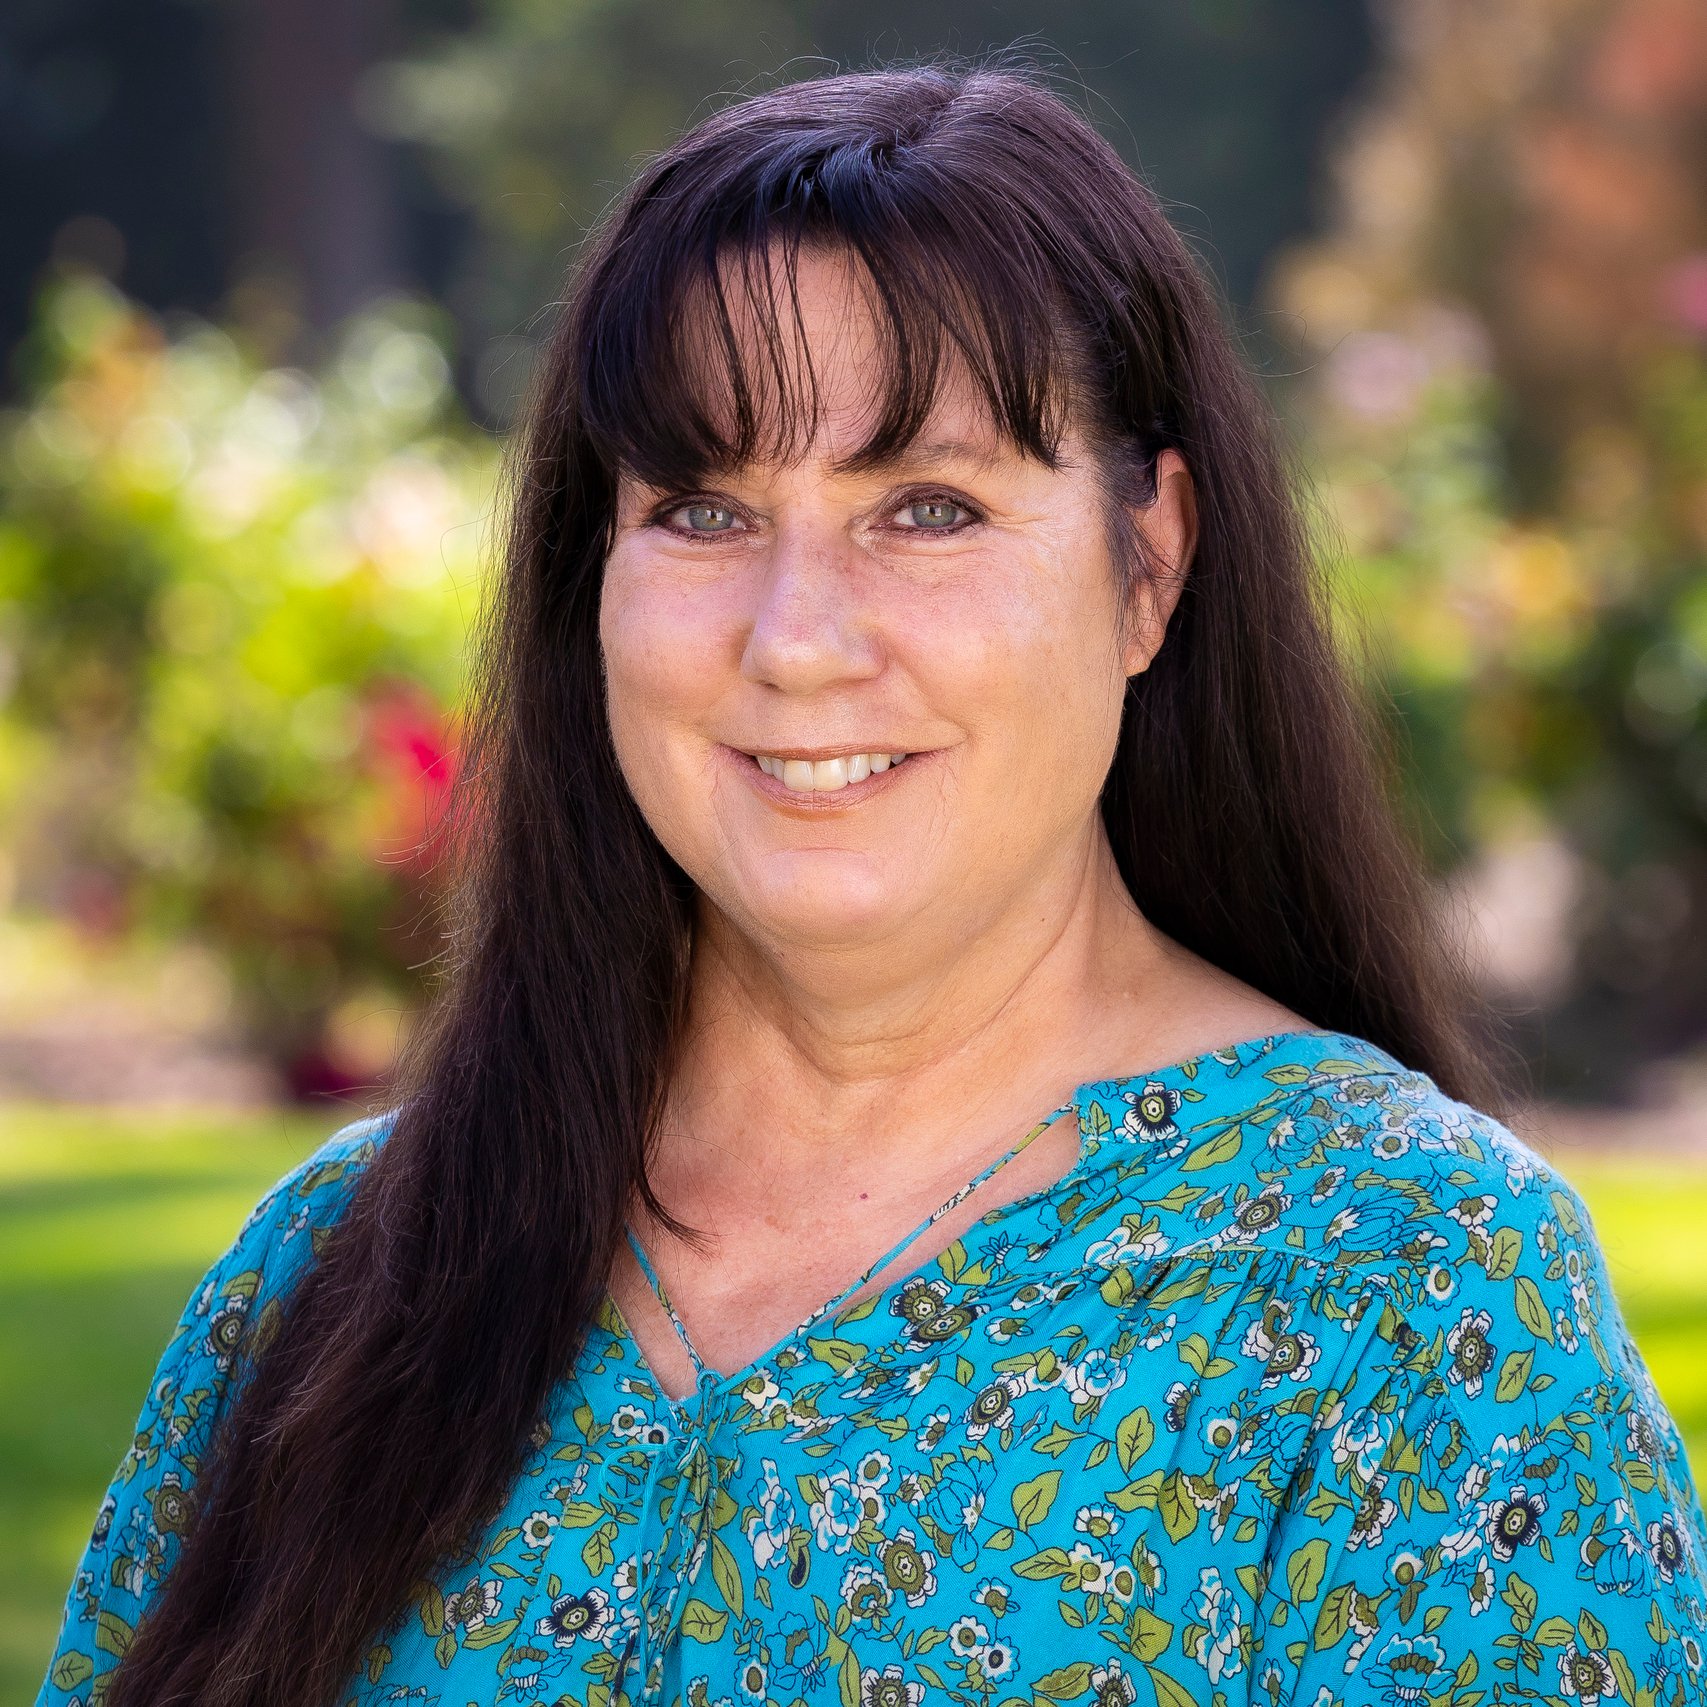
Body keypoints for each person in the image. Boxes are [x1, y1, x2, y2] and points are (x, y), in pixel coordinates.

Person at [37, 62, 1707, 1707]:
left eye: (927, 506)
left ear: (1150, 564)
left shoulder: (1406, 1299)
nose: (798, 641)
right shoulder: (331, 1277)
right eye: (700, 510)